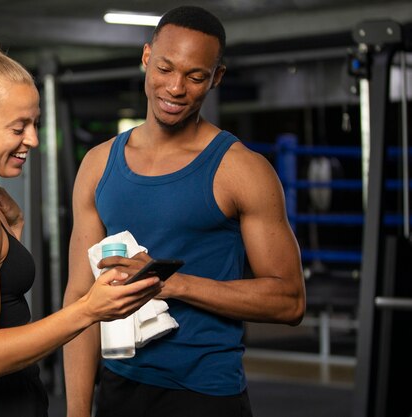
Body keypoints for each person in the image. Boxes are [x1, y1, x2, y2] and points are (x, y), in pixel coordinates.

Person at [0, 31, 163, 417]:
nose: (34, 140)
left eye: (35, 124)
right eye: (18, 127)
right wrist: (89, 309)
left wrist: (12, 240)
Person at [62, 6, 306, 417]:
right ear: (145, 58)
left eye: (195, 76)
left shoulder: (240, 169)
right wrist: (77, 411)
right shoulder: (99, 164)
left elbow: (289, 300)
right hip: (119, 388)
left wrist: (171, 283)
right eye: (165, 68)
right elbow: (79, 298)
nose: (175, 88)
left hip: (205, 394)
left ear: (216, 78)